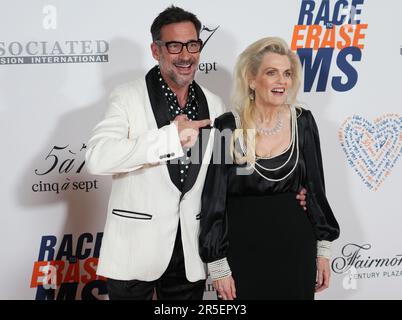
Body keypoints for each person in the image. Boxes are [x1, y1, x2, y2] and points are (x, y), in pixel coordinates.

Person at [86, 6, 307, 300]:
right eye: (175, 46)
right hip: (135, 251)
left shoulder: (215, 106)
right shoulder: (127, 97)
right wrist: (168, 139)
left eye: (193, 44)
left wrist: (287, 193)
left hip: (190, 254)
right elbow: (98, 157)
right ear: (156, 50)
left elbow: (235, 175)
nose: (186, 55)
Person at [199, 37, 340, 300]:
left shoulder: (303, 122)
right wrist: (217, 265)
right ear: (251, 79)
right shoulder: (227, 127)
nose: (282, 81)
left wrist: (323, 251)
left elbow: (316, 190)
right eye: (271, 72)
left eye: (287, 74)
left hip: (296, 246)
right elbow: (212, 200)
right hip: (242, 249)